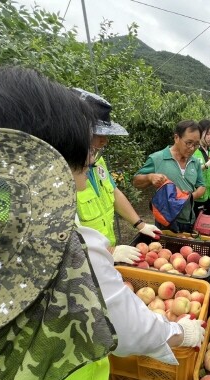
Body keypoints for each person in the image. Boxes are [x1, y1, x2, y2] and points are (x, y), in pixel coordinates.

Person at [0, 65, 205, 380]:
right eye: (88, 148)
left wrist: (134, 224)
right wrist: (180, 332)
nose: (93, 157)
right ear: (55, 149)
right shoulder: (65, 244)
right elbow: (126, 326)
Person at [71, 88, 160, 264]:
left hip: (104, 253)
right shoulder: (61, 176)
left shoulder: (97, 162)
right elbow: (65, 235)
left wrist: (140, 224)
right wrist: (109, 251)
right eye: (99, 134)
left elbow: (113, 193)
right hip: (84, 261)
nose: (105, 141)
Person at [133, 120, 206, 232]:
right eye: (189, 143)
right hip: (165, 221)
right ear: (176, 138)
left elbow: (202, 185)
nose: (192, 148)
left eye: (196, 144)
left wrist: (190, 197)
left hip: (189, 219)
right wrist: (150, 177)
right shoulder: (157, 158)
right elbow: (136, 181)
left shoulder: (195, 162)